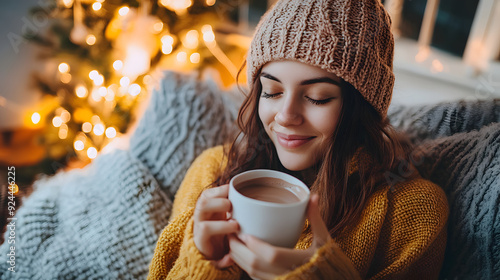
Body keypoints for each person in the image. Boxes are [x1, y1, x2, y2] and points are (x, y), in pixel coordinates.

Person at [148, 0, 449, 279]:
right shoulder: (213, 172)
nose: (285, 116)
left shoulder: (412, 212)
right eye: (272, 92)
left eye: (318, 98)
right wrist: (201, 261)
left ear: (361, 108)